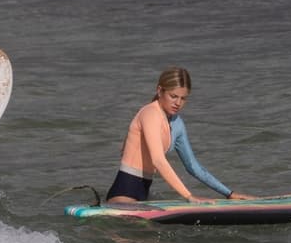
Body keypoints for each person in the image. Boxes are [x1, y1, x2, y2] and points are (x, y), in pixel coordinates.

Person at [107, 66, 252, 205]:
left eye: (183, 98)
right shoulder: (150, 114)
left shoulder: (177, 124)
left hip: (143, 192)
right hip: (124, 194)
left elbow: (193, 167)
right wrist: (188, 196)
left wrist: (229, 193)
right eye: (173, 96)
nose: (178, 103)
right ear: (159, 90)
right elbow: (158, 160)